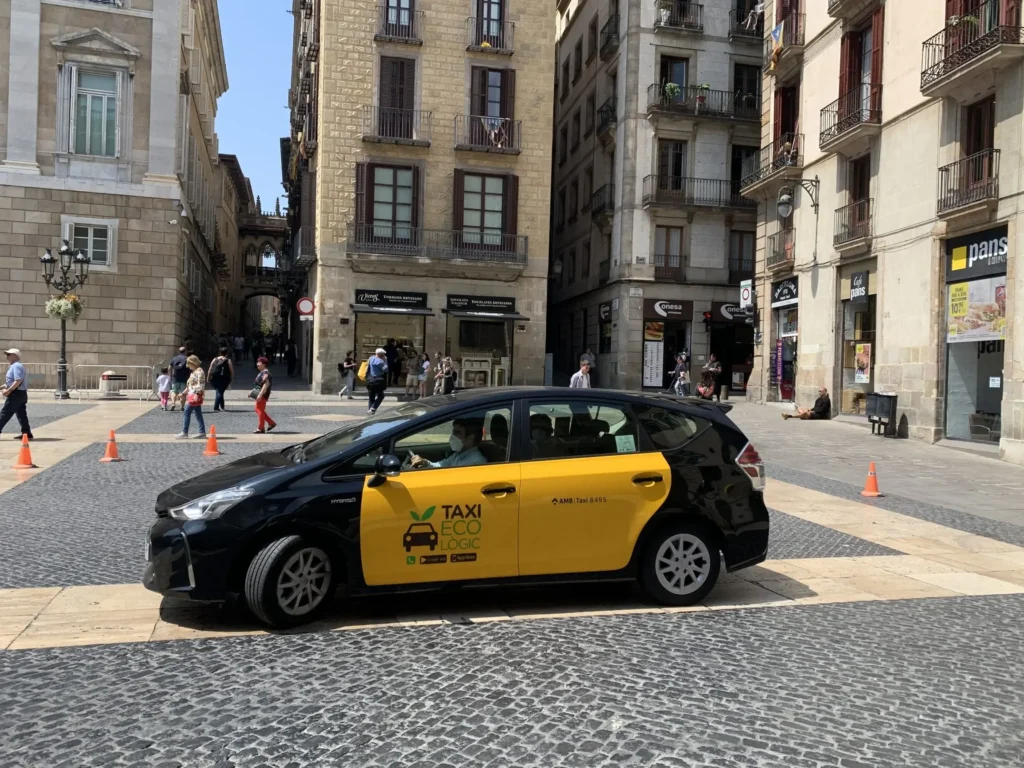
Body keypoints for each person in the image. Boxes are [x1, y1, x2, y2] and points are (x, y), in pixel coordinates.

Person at [409, 417, 487, 469]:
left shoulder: (477, 462)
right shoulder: (458, 455)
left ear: (470, 438)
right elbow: (440, 466)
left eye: (457, 432)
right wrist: (424, 463)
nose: (453, 436)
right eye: (453, 432)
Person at [0, 349, 32, 440]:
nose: (6, 356)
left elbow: (18, 380)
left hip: (16, 394)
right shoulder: (15, 366)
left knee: (5, 413)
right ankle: (26, 432)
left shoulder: (16, 366)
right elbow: (11, 382)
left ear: (16, 356)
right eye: (6, 354)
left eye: (9, 354)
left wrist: (9, 390)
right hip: (21, 394)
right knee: (21, 413)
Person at [175, 355, 207, 439]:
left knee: (187, 412)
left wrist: (197, 393)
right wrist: (183, 393)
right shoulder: (194, 372)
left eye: (188, 364)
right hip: (192, 394)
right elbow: (190, 385)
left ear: (193, 363)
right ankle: (202, 432)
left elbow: (201, 384)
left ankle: (185, 432)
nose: (187, 365)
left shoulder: (199, 371)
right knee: (198, 414)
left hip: (195, 395)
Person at [252, 357, 277, 433]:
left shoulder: (266, 373)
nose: (257, 364)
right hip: (260, 393)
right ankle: (271, 423)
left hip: (263, 394)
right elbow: (258, 385)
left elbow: (265, 384)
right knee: (259, 409)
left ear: (264, 364)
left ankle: (261, 428)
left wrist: (260, 394)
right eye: (257, 362)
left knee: (259, 409)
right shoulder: (262, 372)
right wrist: (252, 392)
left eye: (259, 363)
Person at [207, 347, 234, 412]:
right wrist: (231, 378)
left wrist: (208, 377)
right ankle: (216, 407)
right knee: (220, 392)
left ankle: (222, 406)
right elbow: (231, 371)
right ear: (227, 353)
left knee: (219, 391)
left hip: (214, 378)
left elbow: (210, 369)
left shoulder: (215, 359)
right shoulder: (228, 360)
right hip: (224, 379)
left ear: (219, 352)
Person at [366, 348, 389, 415]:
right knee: (381, 396)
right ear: (381, 355)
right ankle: (373, 408)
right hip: (378, 380)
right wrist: (385, 360)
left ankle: (370, 411)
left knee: (371, 397)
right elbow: (386, 369)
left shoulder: (371, 358)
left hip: (370, 380)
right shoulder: (381, 362)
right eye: (383, 354)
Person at [168, 346, 190, 412]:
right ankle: (182, 407)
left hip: (175, 378)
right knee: (183, 393)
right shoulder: (187, 359)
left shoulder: (174, 358)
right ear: (185, 351)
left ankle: (173, 404)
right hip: (184, 378)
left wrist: (170, 375)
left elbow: (169, 367)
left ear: (179, 351)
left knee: (174, 391)